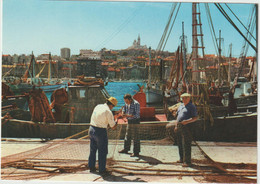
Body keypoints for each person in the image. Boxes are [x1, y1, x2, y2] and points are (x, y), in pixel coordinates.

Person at [88, 97, 118, 175]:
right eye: (113, 106)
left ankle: (91, 167)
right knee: (102, 151)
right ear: (111, 105)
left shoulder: (98, 106)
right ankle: (102, 169)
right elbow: (113, 126)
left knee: (93, 150)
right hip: (100, 132)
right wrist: (116, 120)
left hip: (91, 129)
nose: (112, 108)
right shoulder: (108, 112)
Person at [174, 93, 198, 167]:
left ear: (189, 98)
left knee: (186, 144)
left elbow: (195, 118)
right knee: (180, 143)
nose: (183, 99)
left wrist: (187, 121)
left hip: (187, 127)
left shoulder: (192, 107)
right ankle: (181, 158)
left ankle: (187, 161)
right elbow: (177, 116)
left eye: (185, 98)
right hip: (180, 126)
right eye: (182, 98)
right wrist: (176, 125)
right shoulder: (180, 106)